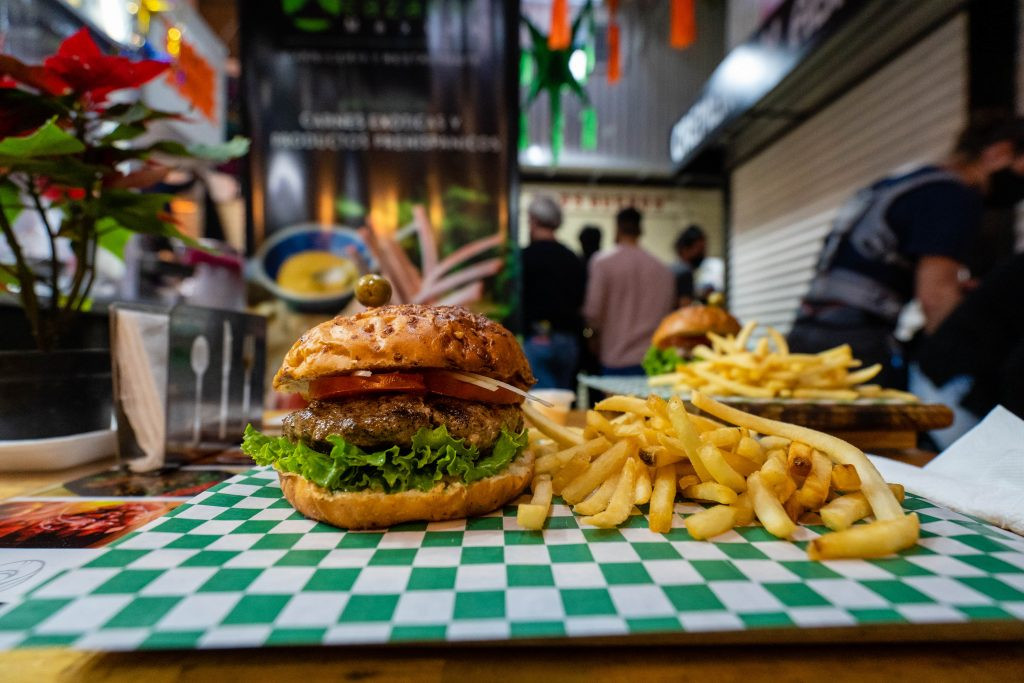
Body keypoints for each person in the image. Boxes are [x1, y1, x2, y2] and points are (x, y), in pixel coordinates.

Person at [787, 113, 1024, 388]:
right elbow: (936, 296)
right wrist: (954, 369)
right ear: (999, 153)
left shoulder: (905, 183)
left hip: (804, 334)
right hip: (855, 348)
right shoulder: (954, 195)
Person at [583, 207, 675, 375]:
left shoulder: (602, 263)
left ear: (617, 228)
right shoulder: (662, 269)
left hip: (615, 357)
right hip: (652, 360)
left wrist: (592, 337)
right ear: (641, 230)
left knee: (617, 402)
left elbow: (593, 312)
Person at [520, 194, 586, 390]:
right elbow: (580, 299)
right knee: (564, 399)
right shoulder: (572, 257)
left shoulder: (524, 257)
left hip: (537, 338)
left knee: (542, 404)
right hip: (569, 340)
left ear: (533, 220)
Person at [672, 224, 707, 306]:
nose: (703, 254)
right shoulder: (685, 272)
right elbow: (685, 308)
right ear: (685, 249)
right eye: (700, 249)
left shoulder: (672, 269)